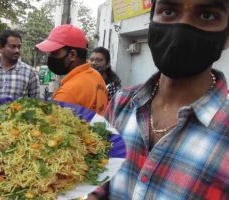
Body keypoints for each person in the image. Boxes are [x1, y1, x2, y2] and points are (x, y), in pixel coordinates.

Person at [88, 0, 229, 199]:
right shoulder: (122, 102)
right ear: (151, 20)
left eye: (207, 15)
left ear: (226, 36)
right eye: (169, 10)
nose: (182, 29)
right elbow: (97, 180)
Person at [35, 24, 108, 115]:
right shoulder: (96, 75)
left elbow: (51, 126)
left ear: (72, 55)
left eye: (54, 53)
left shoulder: (68, 93)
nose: (50, 58)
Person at [0, 29, 40, 101]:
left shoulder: (30, 72)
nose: (17, 50)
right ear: (0, 47)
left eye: (19, 47)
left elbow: (36, 102)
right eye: (12, 46)